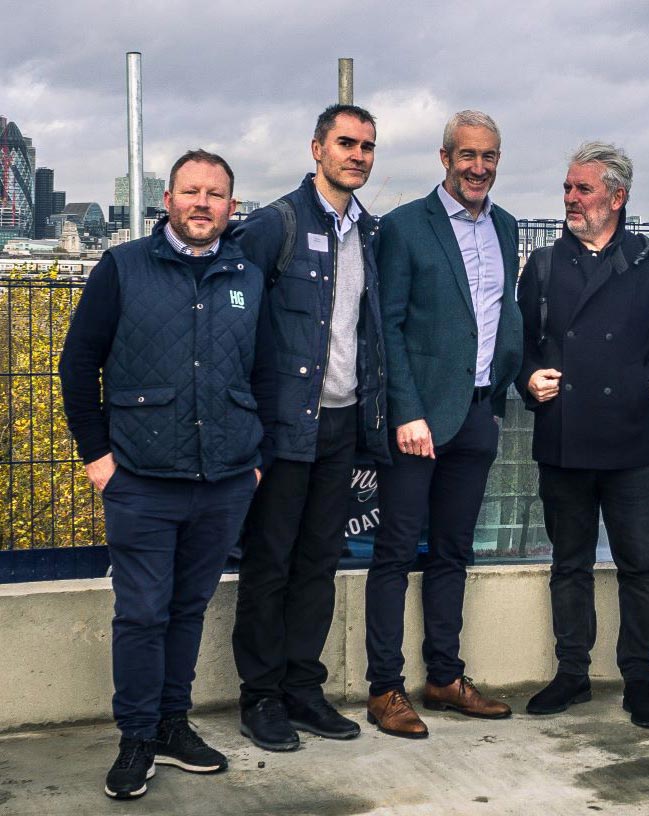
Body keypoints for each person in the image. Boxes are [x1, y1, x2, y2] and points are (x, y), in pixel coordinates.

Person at [59, 149, 276, 799]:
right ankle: (135, 739)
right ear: (168, 201)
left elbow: (263, 370)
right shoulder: (122, 267)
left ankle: (171, 727)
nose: (202, 202)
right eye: (190, 191)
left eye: (216, 193)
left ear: (232, 207)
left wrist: (256, 462)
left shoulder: (247, 274)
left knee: (187, 608)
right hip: (142, 481)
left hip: (226, 480)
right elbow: (78, 365)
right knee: (143, 613)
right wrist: (97, 456)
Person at [231, 104, 389, 751]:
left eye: (367, 146)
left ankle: (303, 688)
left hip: (342, 425)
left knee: (319, 564)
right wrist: (247, 430)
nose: (357, 155)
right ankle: (260, 696)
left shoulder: (369, 234)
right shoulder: (277, 225)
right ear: (317, 148)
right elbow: (234, 326)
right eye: (346, 143)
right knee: (270, 564)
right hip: (281, 430)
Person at [364, 110, 523, 738]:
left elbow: (497, 314)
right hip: (419, 425)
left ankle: (445, 676)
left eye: (488, 156)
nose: (478, 167)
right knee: (395, 554)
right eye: (467, 156)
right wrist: (408, 411)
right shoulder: (404, 228)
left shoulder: (507, 227)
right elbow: (389, 327)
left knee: (454, 553)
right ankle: (383, 689)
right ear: (444, 157)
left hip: (479, 414)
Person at [516, 143, 649, 727]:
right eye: (567, 188)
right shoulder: (541, 266)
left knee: (640, 566)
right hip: (564, 437)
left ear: (617, 196)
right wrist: (528, 377)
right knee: (570, 563)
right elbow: (523, 347)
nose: (571, 199)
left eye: (583, 189)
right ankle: (572, 674)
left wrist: (648, 386)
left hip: (632, 441)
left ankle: (640, 677)